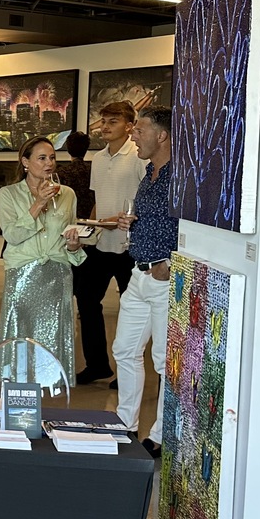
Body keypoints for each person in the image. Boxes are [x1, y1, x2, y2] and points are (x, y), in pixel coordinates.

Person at [0, 136, 87, 384]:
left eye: (53, 157)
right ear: (25, 162)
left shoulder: (67, 194)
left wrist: (74, 245)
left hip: (57, 274)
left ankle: (50, 388)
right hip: (23, 273)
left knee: (53, 335)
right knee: (21, 334)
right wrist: (38, 204)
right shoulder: (8, 194)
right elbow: (12, 235)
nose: (49, 163)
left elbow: (69, 233)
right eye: (42, 158)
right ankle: (19, 389)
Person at [112, 106, 177, 457]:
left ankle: (162, 435)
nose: (133, 135)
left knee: (164, 360)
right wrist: (131, 224)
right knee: (124, 350)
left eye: (140, 130)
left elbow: (196, 229)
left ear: (161, 135)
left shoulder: (182, 176)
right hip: (137, 274)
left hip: (164, 280)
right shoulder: (149, 170)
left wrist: (172, 261)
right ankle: (125, 424)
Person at [75, 102, 146, 385]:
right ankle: (97, 365)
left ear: (129, 126)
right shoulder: (98, 158)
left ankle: (126, 369)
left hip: (131, 246)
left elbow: (147, 199)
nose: (104, 126)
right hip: (101, 243)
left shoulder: (139, 157)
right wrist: (88, 232)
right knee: (87, 300)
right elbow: (97, 200)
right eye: (103, 121)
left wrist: (130, 219)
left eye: (112, 121)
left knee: (132, 309)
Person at [54, 130, 95, 220]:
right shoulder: (94, 170)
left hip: (67, 217)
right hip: (92, 217)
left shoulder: (61, 172)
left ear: (68, 149)